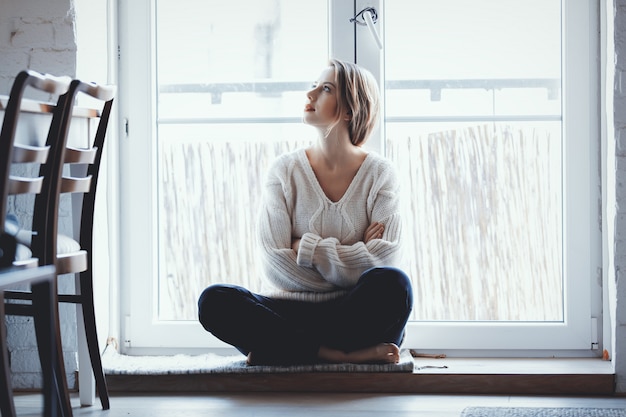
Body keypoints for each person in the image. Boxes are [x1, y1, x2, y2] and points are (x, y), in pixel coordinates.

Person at [197, 58, 413, 366]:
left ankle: (285, 349)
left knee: (394, 284)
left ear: (351, 109)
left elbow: (384, 259)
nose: (310, 95)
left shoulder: (381, 173)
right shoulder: (284, 171)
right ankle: (335, 355)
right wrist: (354, 256)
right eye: (313, 86)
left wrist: (306, 248)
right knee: (214, 301)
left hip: (350, 314)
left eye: (325, 89)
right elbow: (274, 265)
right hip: (286, 312)